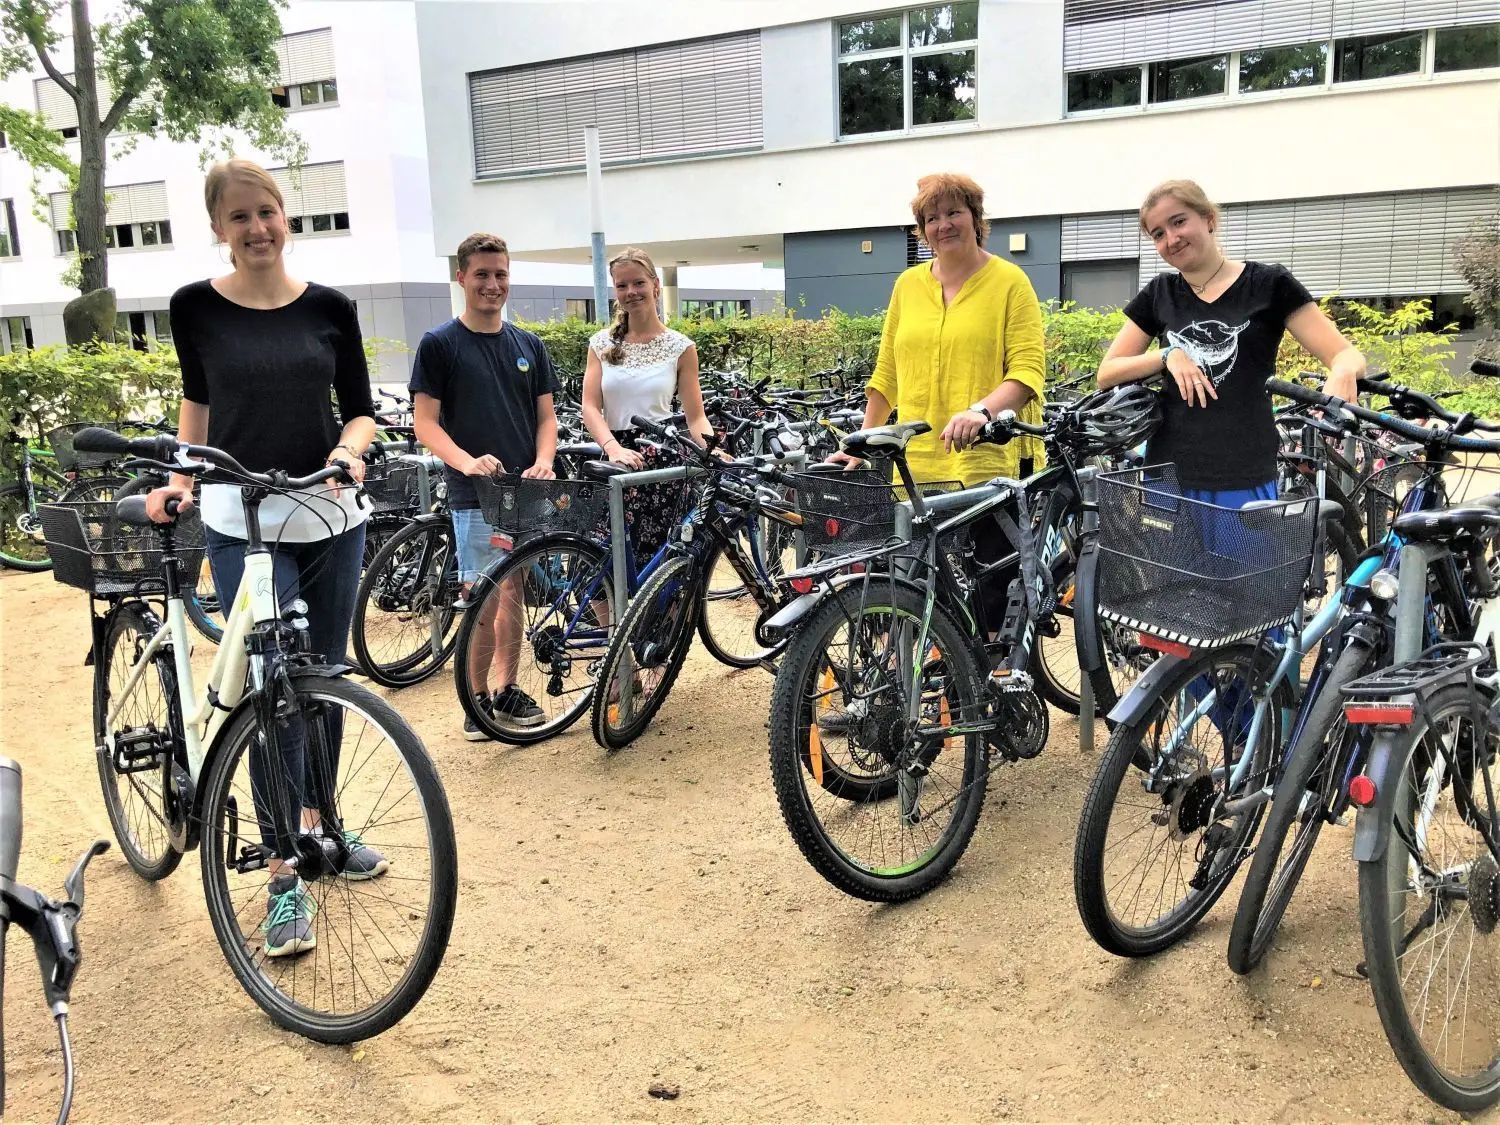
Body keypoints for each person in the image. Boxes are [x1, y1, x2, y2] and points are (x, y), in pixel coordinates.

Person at [148, 157, 387, 959]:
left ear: (288, 217)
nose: (257, 227)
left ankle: (324, 826)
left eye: (268, 211)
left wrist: (352, 450)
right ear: (219, 228)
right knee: (272, 691)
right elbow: (198, 403)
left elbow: (358, 410)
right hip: (239, 517)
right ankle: (283, 872)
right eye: (240, 216)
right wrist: (179, 477)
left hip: (330, 511)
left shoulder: (331, 308)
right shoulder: (195, 309)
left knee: (321, 683)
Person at [829, 172, 1047, 639]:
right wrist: (859, 444)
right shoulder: (908, 286)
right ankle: (913, 695)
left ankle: (987, 696)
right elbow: (885, 373)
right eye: (931, 217)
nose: (943, 224)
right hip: (915, 466)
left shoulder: (1010, 282)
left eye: (954, 213)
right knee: (909, 591)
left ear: (975, 218)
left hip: (985, 463)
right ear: (921, 229)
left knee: (987, 597)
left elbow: (1027, 372)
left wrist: (982, 411)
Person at [1097, 178, 1365, 507]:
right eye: (1158, 234)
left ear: (1209, 219)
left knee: (1244, 561)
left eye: (1179, 221)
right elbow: (1107, 373)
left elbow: (1346, 354)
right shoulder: (1160, 293)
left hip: (1243, 474)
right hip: (1166, 474)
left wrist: (1341, 370)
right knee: (1168, 561)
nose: (1172, 238)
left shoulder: (1269, 285)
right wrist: (1168, 355)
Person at [410, 233, 560, 739]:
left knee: (513, 588)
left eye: (500, 275)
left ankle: (505, 691)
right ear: (461, 278)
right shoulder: (440, 344)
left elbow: (546, 417)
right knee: (485, 593)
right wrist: (467, 462)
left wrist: (544, 460)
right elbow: (426, 423)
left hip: (523, 490)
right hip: (473, 492)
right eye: (482, 275)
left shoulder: (528, 345)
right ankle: (474, 702)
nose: (493, 285)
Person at [579, 246, 714, 567]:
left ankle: (653, 619)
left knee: (660, 564)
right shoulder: (601, 343)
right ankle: (610, 620)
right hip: (614, 457)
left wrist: (712, 448)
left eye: (638, 283)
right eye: (622, 285)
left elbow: (695, 416)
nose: (631, 292)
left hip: (663, 460)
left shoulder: (681, 347)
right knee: (599, 562)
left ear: (655, 285)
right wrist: (612, 448)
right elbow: (589, 406)